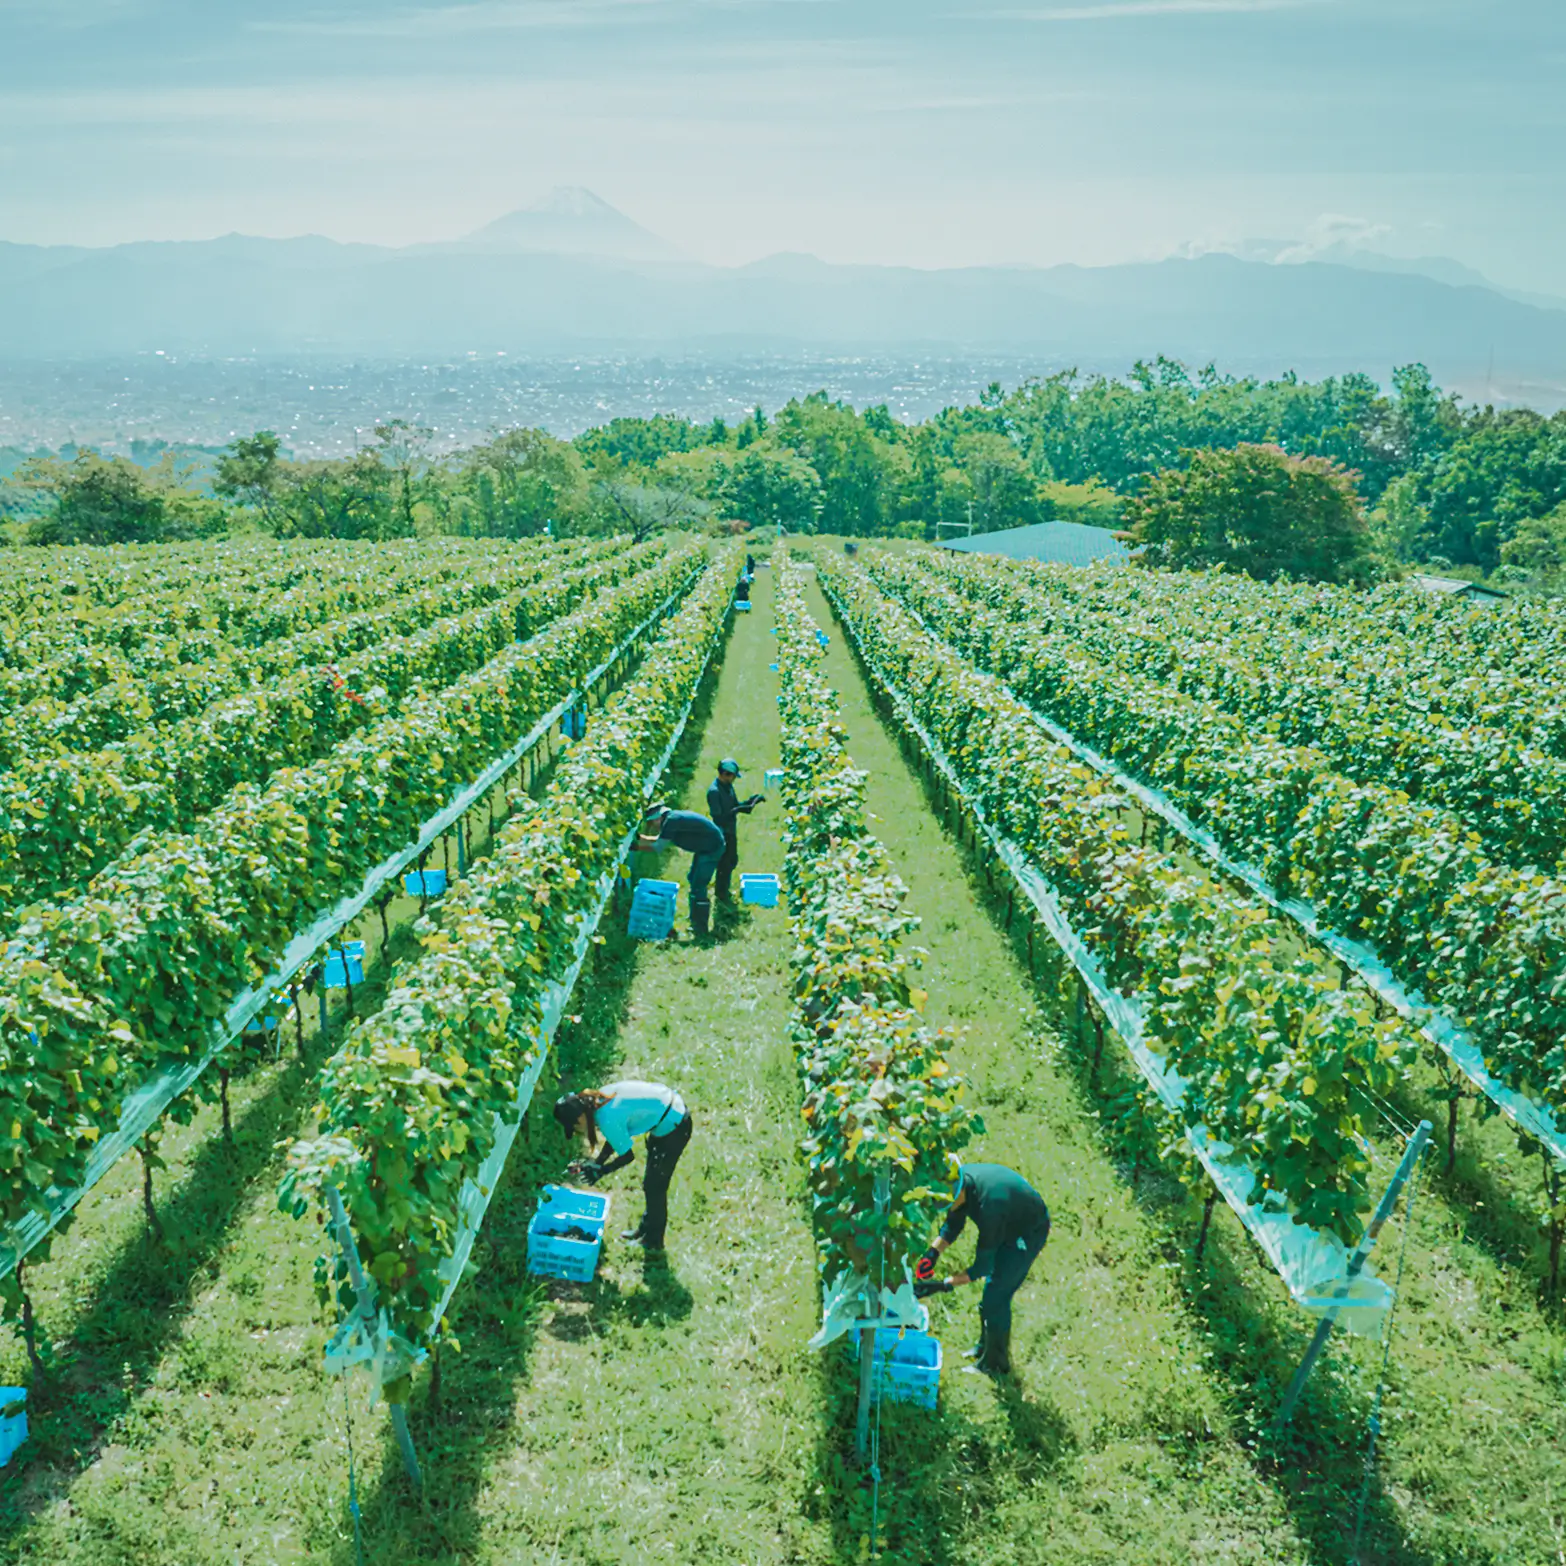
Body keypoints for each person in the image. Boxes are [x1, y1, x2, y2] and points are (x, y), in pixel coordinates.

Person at [913, 1162, 1050, 1375]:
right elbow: (953, 1224)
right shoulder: (960, 1183)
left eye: (948, 1204)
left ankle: (996, 1364)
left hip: (1028, 1231)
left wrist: (942, 1285)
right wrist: (933, 1253)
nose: (948, 1208)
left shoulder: (989, 1208)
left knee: (996, 1295)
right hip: (1009, 1218)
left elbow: (982, 1268)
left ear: (959, 1192)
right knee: (991, 1296)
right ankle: (984, 1348)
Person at [554, 1082, 693, 1249]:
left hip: (674, 1124)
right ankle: (645, 1230)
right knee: (651, 1183)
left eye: (574, 1126)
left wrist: (602, 1171)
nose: (576, 1130)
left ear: (580, 1118)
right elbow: (616, 1138)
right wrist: (597, 1163)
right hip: (668, 1111)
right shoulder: (598, 1098)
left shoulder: (606, 1118)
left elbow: (627, 1156)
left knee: (655, 1186)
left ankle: (654, 1242)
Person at [634, 801, 725, 937]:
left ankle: (700, 929)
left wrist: (635, 846)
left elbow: (658, 847)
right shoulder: (672, 819)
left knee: (698, 885)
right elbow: (660, 841)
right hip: (706, 847)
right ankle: (695, 921)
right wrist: (640, 839)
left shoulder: (671, 822)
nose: (652, 826)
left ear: (658, 818)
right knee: (692, 878)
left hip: (711, 849)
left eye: (652, 822)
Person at [707, 759, 764, 904]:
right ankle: (721, 894)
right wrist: (739, 810)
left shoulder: (728, 787)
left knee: (732, 860)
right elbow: (719, 817)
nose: (733, 780)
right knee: (724, 863)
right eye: (732, 776)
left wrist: (751, 801)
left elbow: (734, 805)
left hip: (731, 831)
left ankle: (723, 889)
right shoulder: (714, 792)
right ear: (725, 774)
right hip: (721, 833)